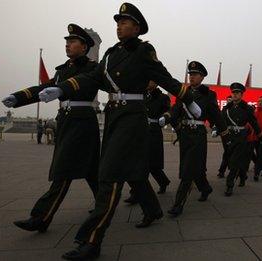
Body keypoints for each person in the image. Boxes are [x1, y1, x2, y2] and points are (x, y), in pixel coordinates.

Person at [36, 4, 199, 259]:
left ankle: (92, 241)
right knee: (133, 172)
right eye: (118, 21)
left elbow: (164, 77)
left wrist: (187, 98)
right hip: (114, 117)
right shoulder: (110, 54)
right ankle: (153, 210)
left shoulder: (144, 50)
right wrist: (63, 89)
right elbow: (92, 79)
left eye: (125, 22)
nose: (119, 25)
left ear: (136, 28)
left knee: (109, 175)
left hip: (132, 119)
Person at [1, 23, 100, 234]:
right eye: (66, 42)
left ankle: (41, 217)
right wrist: (18, 97)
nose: (68, 45)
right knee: (92, 170)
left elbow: (83, 82)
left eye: (72, 41)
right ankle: (105, 203)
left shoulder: (92, 67)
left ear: (84, 47)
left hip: (81, 122)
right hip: (67, 121)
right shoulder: (62, 70)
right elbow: (44, 88)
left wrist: (62, 89)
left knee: (64, 169)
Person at [161, 61, 229, 216]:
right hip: (185, 134)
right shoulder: (183, 92)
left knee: (187, 169)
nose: (192, 77)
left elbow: (215, 115)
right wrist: (166, 117)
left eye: (195, 74)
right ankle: (205, 188)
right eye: (190, 74)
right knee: (194, 168)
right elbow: (176, 109)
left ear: (202, 77)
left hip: (197, 134)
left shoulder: (208, 94)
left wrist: (223, 131)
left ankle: (178, 204)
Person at [123, 81, 172, 204]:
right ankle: (135, 193)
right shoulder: (141, 95)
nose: (148, 82)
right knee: (138, 164)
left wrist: (165, 120)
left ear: (156, 83)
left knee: (153, 165)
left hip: (153, 132)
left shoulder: (163, 97)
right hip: (139, 131)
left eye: (151, 80)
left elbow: (169, 112)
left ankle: (163, 181)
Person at [222, 83, 262, 196]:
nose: (235, 95)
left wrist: (260, 134)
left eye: (237, 93)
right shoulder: (227, 108)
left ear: (241, 94)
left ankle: (229, 185)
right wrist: (216, 128)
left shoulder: (247, 108)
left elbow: (253, 122)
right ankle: (243, 176)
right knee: (231, 161)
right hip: (229, 138)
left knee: (235, 161)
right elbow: (221, 120)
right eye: (233, 93)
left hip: (241, 137)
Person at [217, 95, 233, 178]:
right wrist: (216, 130)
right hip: (225, 134)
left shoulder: (236, 108)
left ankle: (239, 173)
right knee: (227, 152)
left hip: (235, 134)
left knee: (231, 153)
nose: (229, 101)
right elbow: (220, 120)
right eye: (228, 100)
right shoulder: (224, 109)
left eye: (230, 99)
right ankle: (222, 171)